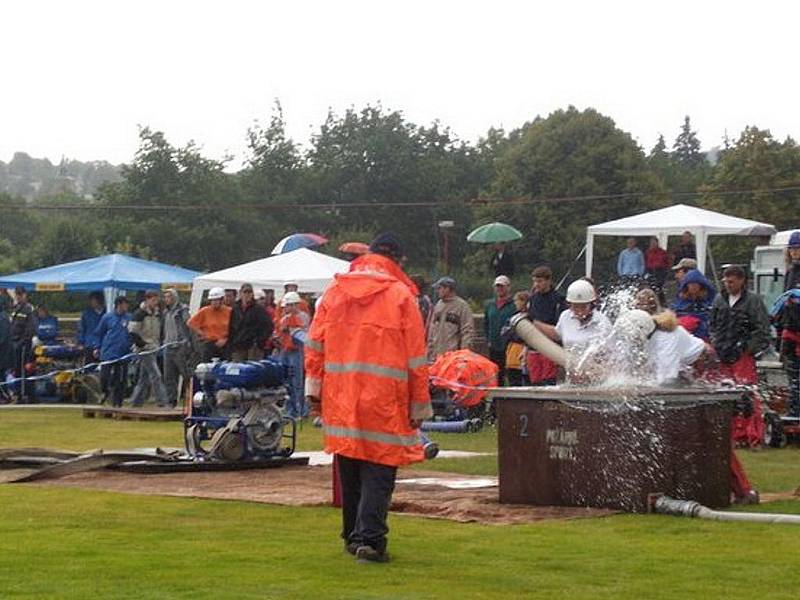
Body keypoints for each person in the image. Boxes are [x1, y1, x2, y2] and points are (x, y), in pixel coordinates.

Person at [304, 232, 432, 564]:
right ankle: (371, 541)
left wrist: (313, 391)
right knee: (379, 470)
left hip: (341, 396)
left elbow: (315, 344)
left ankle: (352, 535)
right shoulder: (401, 295)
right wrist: (419, 405)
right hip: (384, 399)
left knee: (349, 466)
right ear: (398, 261)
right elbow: (416, 357)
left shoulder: (335, 291)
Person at [537, 280, 611, 352]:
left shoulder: (602, 322)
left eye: (584, 307)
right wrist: (535, 323)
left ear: (591, 304)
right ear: (569, 304)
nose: (579, 311)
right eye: (575, 306)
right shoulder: (565, 316)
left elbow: (610, 352)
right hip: (568, 362)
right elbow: (558, 334)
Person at [526, 266, 567, 386]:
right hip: (533, 345)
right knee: (535, 380)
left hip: (550, 345)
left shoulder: (558, 299)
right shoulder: (533, 299)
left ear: (548, 281)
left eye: (539, 281)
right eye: (534, 281)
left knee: (548, 380)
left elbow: (559, 326)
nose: (536, 284)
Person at [774, 231, 800, 416]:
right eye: (792, 249)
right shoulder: (790, 272)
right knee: (792, 374)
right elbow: (784, 300)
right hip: (790, 330)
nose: (795, 253)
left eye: (798, 249)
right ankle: (795, 411)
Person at [128, 290, 169, 408]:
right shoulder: (139, 314)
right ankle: (163, 402)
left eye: (157, 300)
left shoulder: (156, 314)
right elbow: (132, 332)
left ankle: (136, 402)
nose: (155, 303)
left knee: (144, 377)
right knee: (156, 375)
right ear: (147, 300)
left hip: (154, 348)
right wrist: (142, 345)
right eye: (153, 300)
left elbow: (159, 331)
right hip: (144, 349)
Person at [94, 296, 132, 407]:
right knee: (104, 377)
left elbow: (133, 332)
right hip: (108, 352)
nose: (127, 307)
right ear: (119, 305)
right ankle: (104, 392)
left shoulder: (129, 317)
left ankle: (117, 403)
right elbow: (99, 333)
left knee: (120, 379)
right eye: (125, 304)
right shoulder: (107, 317)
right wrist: (97, 347)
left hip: (123, 353)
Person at [427, 277, 475, 362]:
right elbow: (432, 328)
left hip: (452, 356)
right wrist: (430, 349)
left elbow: (467, 331)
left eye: (439, 288)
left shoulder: (462, 306)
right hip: (436, 356)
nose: (437, 291)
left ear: (447, 289)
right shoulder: (438, 305)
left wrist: (464, 354)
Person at [278, 291, 310, 418]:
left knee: (298, 382)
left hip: (297, 351)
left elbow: (303, 335)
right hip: (286, 351)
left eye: (289, 305)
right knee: (287, 382)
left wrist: (291, 329)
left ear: (295, 305)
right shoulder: (284, 318)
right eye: (286, 306)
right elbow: (281, 333)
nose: (287, 308)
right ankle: (291, 410)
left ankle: (302, 410)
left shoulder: (303, 317)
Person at [162, 288, 192, 408]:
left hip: (180, 346)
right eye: (165, 297)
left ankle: (190, 399)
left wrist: (187, 341)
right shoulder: (165, 312)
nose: (166, 299)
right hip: (168, 346)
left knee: (185, 374)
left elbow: (188, 324)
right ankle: (171, 400)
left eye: (168, 297)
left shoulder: (182, 310)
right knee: (168, 376)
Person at [483, 275, 516, 385]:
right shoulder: (489, 304)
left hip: (509, 344)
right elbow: (486, 323)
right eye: (497, 286)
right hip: (494, 344)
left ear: (508, 287)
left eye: (502, 286)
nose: (499, 289)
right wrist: (488, 339)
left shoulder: (514, 305)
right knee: (496, 373)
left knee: (511, 373)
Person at [228, 283, 272, 362]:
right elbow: (231, 327)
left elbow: (269, 326)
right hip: (238, 346)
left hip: (253, 347)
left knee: (252, 371)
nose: (247, 294)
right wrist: (232, 344)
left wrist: (259, 342)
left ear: (252, 294)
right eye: (245, 292)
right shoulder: (235, 308)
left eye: (250, 292)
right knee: (237, 370)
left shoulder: (258, 309)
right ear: (240, 293)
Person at [187, 287, 231, 362]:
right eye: (212, 300)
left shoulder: (229, 311)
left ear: (222, 300)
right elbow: (190, 323)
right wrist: (201, 333)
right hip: (209, 344)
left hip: (225, 344)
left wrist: (225, 339)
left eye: (217, 300)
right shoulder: (205, 311)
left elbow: (234, 328)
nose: (214, 302)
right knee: (206, 366)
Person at [9, 287, 37, 402]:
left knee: (22, 369)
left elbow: (30, 328)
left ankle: (23, 395)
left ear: (25, 295)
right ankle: (18, 392)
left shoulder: (28, 309)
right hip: (14, 343)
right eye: (17, 294)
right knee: (16, 369)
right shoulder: (15, 309)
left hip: (24, 344)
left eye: (20, 294)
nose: (19, 296)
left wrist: (22, 341)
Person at [670, 268, 715, 340]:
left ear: (701, 285)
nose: (693, 286)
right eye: (691, 284)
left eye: (696, 284)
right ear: (686, 285)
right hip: (684, 336)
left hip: (704, 337)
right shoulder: (679, 302)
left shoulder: (708, 301)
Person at [503, 291, 530, 386]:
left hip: (524, 351)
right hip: (512, 351)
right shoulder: (514, 317)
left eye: (517, 301)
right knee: (513, 380)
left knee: (524, 380)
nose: (515, 303)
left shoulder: (530, 317)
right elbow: (504, 332)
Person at [78, 292, 105, 359]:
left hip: (103, 344)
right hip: (89, 344)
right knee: (89, 366)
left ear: (99, 300)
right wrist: (81, 342)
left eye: (92, 300)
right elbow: (81, 329)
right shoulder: (86, 313)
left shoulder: (107, 313)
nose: (90, 302)